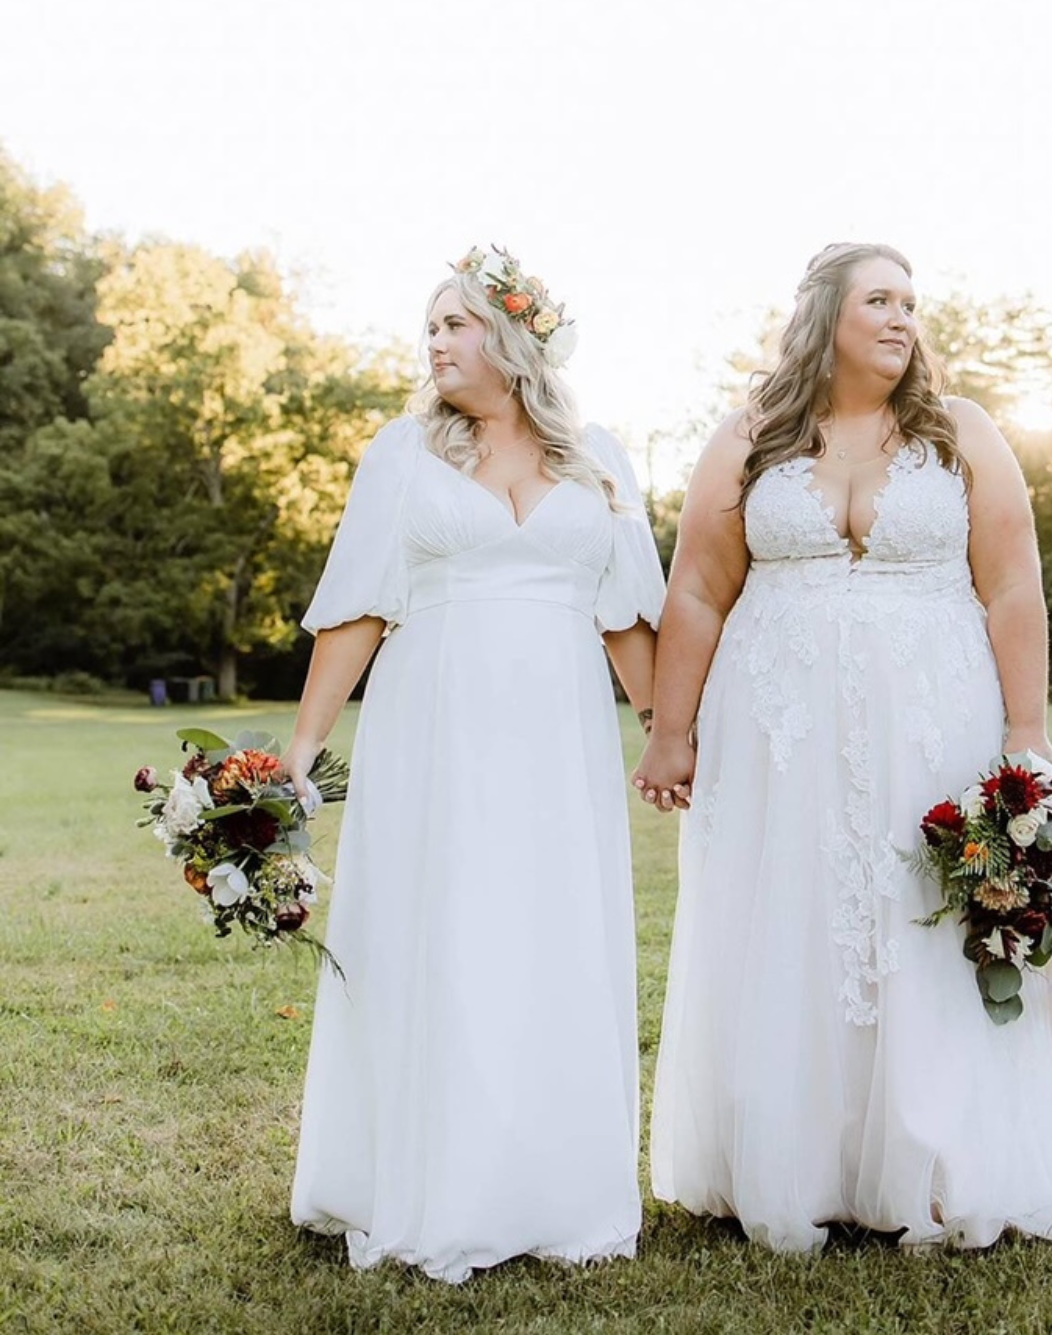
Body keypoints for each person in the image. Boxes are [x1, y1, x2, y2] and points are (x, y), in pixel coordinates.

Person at [634, 242, 1052, 1253]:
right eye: (879, 300)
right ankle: (801, 1155)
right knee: (796, 919)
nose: (903, 318)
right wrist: (672, 732)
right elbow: (695, 588)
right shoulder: (748, 436)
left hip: (933, 718)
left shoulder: (965, 435)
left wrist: (1026, 735)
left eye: (911, 302)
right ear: (825, 317)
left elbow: (1013, 584)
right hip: (781, 730)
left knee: (924, 917)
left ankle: (949, 1151)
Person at [284, 245, 664, 1283]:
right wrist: (300, 756)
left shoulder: (601, 457)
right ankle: (428, 1180)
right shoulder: (403, 454)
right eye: (433, 326)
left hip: (559, 737)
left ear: (515, 339)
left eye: (454, 323)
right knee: (441, 931)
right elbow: (357, 605)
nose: (436, 342)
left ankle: (550, 1183)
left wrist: (666, 733)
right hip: (435, 724)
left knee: (548, 935)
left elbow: (629, 613)